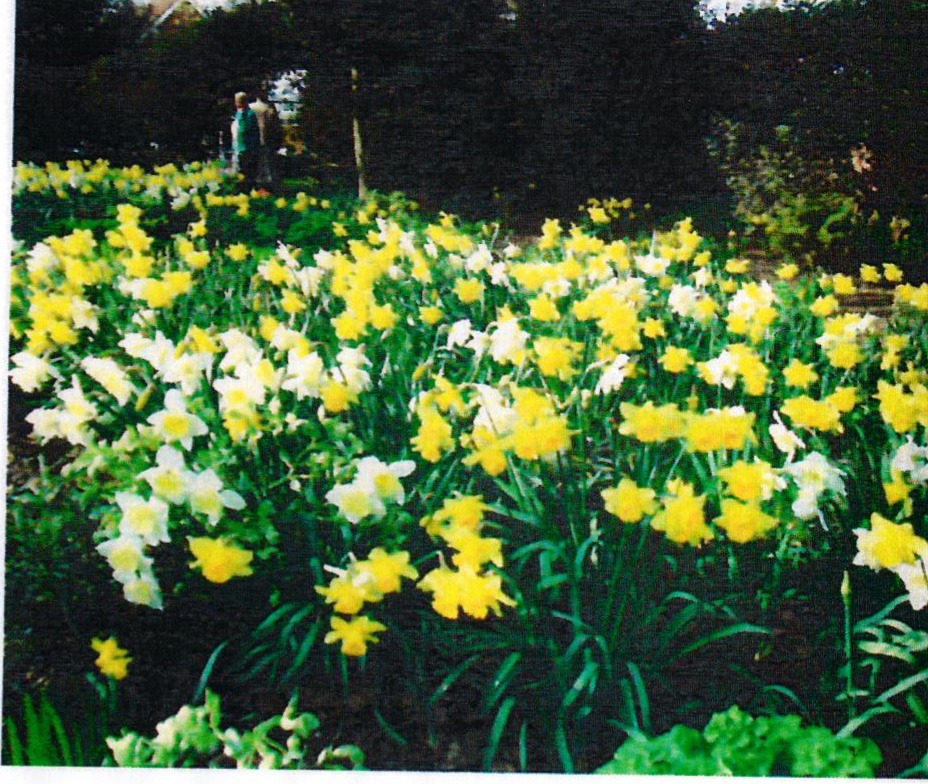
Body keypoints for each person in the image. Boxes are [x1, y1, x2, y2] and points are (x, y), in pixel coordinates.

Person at [232, 91, 260, 190]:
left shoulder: (249, 114)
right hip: (238, 147)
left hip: (247, 148)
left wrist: (251, 149)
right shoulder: (238, 113)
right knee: (240, 173)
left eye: (238, 101)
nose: (236, 104)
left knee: (247, 173)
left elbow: (247, 130)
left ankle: (248, 191)